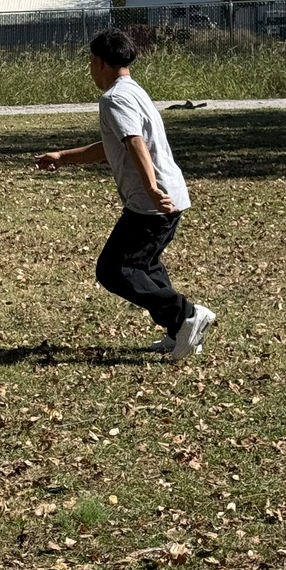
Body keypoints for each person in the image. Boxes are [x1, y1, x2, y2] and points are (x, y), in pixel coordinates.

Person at [35, 28, 215, 360]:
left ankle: (186, 314)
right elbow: (111, 147)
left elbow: (134, 142)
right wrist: (63, 157)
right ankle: (179, 331)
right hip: (169, 197)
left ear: (99, 61)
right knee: (145, 266)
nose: (90, 69)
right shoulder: (133, 91)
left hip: (151, 203)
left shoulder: (114, 98)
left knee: (112, 269)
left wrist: (150, 188)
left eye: (91, 62)